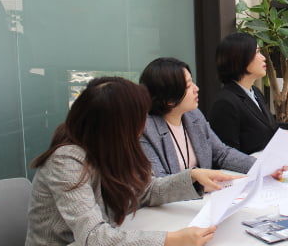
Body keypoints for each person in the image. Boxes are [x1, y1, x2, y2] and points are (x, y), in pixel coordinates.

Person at [26, 77, 240, 246]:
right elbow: (93, 237)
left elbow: (145, 191)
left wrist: (193, 179)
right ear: (117, 125)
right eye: (138, 118)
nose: (144, 125)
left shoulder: (110, 148)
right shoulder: (66, 161)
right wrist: (170, 240)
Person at [139, 58, 285, 179]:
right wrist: (197, 183)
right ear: (169, 99)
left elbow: (221, 153)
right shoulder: (145, 130)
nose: (196, 88)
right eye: (188, 86)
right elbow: (158, 183)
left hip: (203, 199)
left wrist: (261, 166)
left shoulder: (193, 116)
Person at [207, 33, 278, 154]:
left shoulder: (255, 92)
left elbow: (269, 130)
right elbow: (228, 156)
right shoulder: (225, 103)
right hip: (250, 165)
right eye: (257, 52)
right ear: (240, 58)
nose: (263, 58)